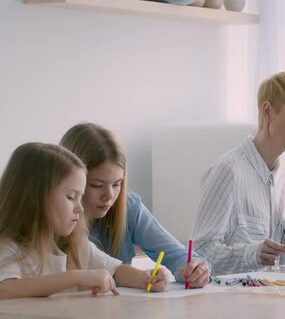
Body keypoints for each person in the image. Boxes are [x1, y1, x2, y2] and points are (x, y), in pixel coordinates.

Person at [0, 143, 164, 302]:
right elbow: (7, 289)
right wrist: (77, 276)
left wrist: (145, 278)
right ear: (35, 199)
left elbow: (115, 272)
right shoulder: (8, 248)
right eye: (71, 197)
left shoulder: (75, 245)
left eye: (80, 198)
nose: (80, 208)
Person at [191, 70, 285, 275]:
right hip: (231, 301)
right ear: (268, 112)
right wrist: (253, 254)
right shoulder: (229, 171)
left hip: (272, 297)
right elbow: (201, 253)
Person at [60, 123, 209, 287]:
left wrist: (195, 269)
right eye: (96, 185)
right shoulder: (52, 220)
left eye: (117, 184)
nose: (109, 196)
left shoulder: (129, 208)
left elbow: (175, 254)